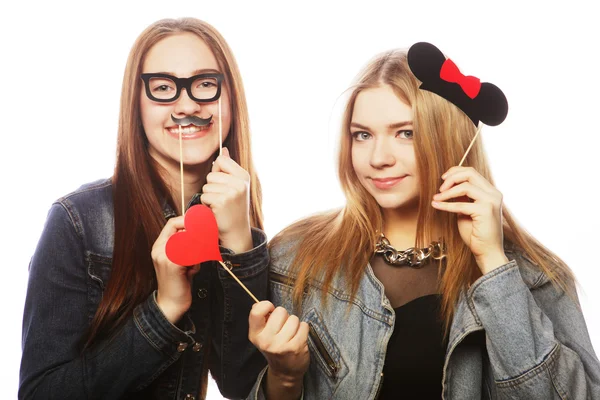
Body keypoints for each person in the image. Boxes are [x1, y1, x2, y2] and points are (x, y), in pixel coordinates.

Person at [247, 47, 600, 399]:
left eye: (406, 133)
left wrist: (494, 263)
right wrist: (285, 379)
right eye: (363, 135)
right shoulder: (297, 259)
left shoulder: (533, 275)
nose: (378, 158)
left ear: (449, 138)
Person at [20, 17, 268, 399]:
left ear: (230, 96)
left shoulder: (232, 215)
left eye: (205, 84)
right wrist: (165, 308)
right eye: (164, 87)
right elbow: (41, 393)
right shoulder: (76, 222)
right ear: (136, 105)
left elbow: (241, 385)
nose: (187, 105)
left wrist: (240, 243)